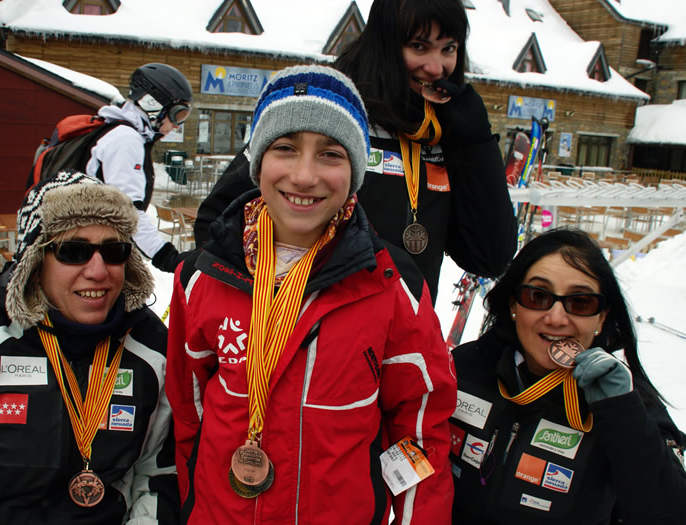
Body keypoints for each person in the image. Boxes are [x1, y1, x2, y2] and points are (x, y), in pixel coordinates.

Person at [166, 65, 457, 523]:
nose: (304, 176)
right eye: (285, 148)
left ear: (355, 171)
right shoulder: (202, 275)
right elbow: (188, 414)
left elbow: (420, 428)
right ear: (258, 160)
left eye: (330, 154)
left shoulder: (392, 286)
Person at [193, 0, 518, 303]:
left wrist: (476, 144)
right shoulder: (329, 111)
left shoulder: (445, 133)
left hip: (402, 345)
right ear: (384, 45)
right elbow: (215, 224)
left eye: (449, 48)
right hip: (305, 336)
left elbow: (488, 257)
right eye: (418, 46)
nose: (436, 68)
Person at [0, 171, 178, 524]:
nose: (98, 271)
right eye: (74, 251)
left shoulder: (153, 351)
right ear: (35, 262)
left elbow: (162, 476)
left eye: (114, 251)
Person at [448, 228, 686, 524]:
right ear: (513, 304)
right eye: (537, 296)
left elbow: (670, 514)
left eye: (580, 302)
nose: (556, 318)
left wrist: (624, 415)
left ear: (601, 316)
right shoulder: (463, 367)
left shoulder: (628, 401)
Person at [87, 62, 194, 272]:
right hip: (92, 254)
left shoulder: (118, 132)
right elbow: (127, 210)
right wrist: (167, 257)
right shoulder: (126, 140)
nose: (177, 126)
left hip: (96, 247)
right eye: (177, 115)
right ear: (152, 104)